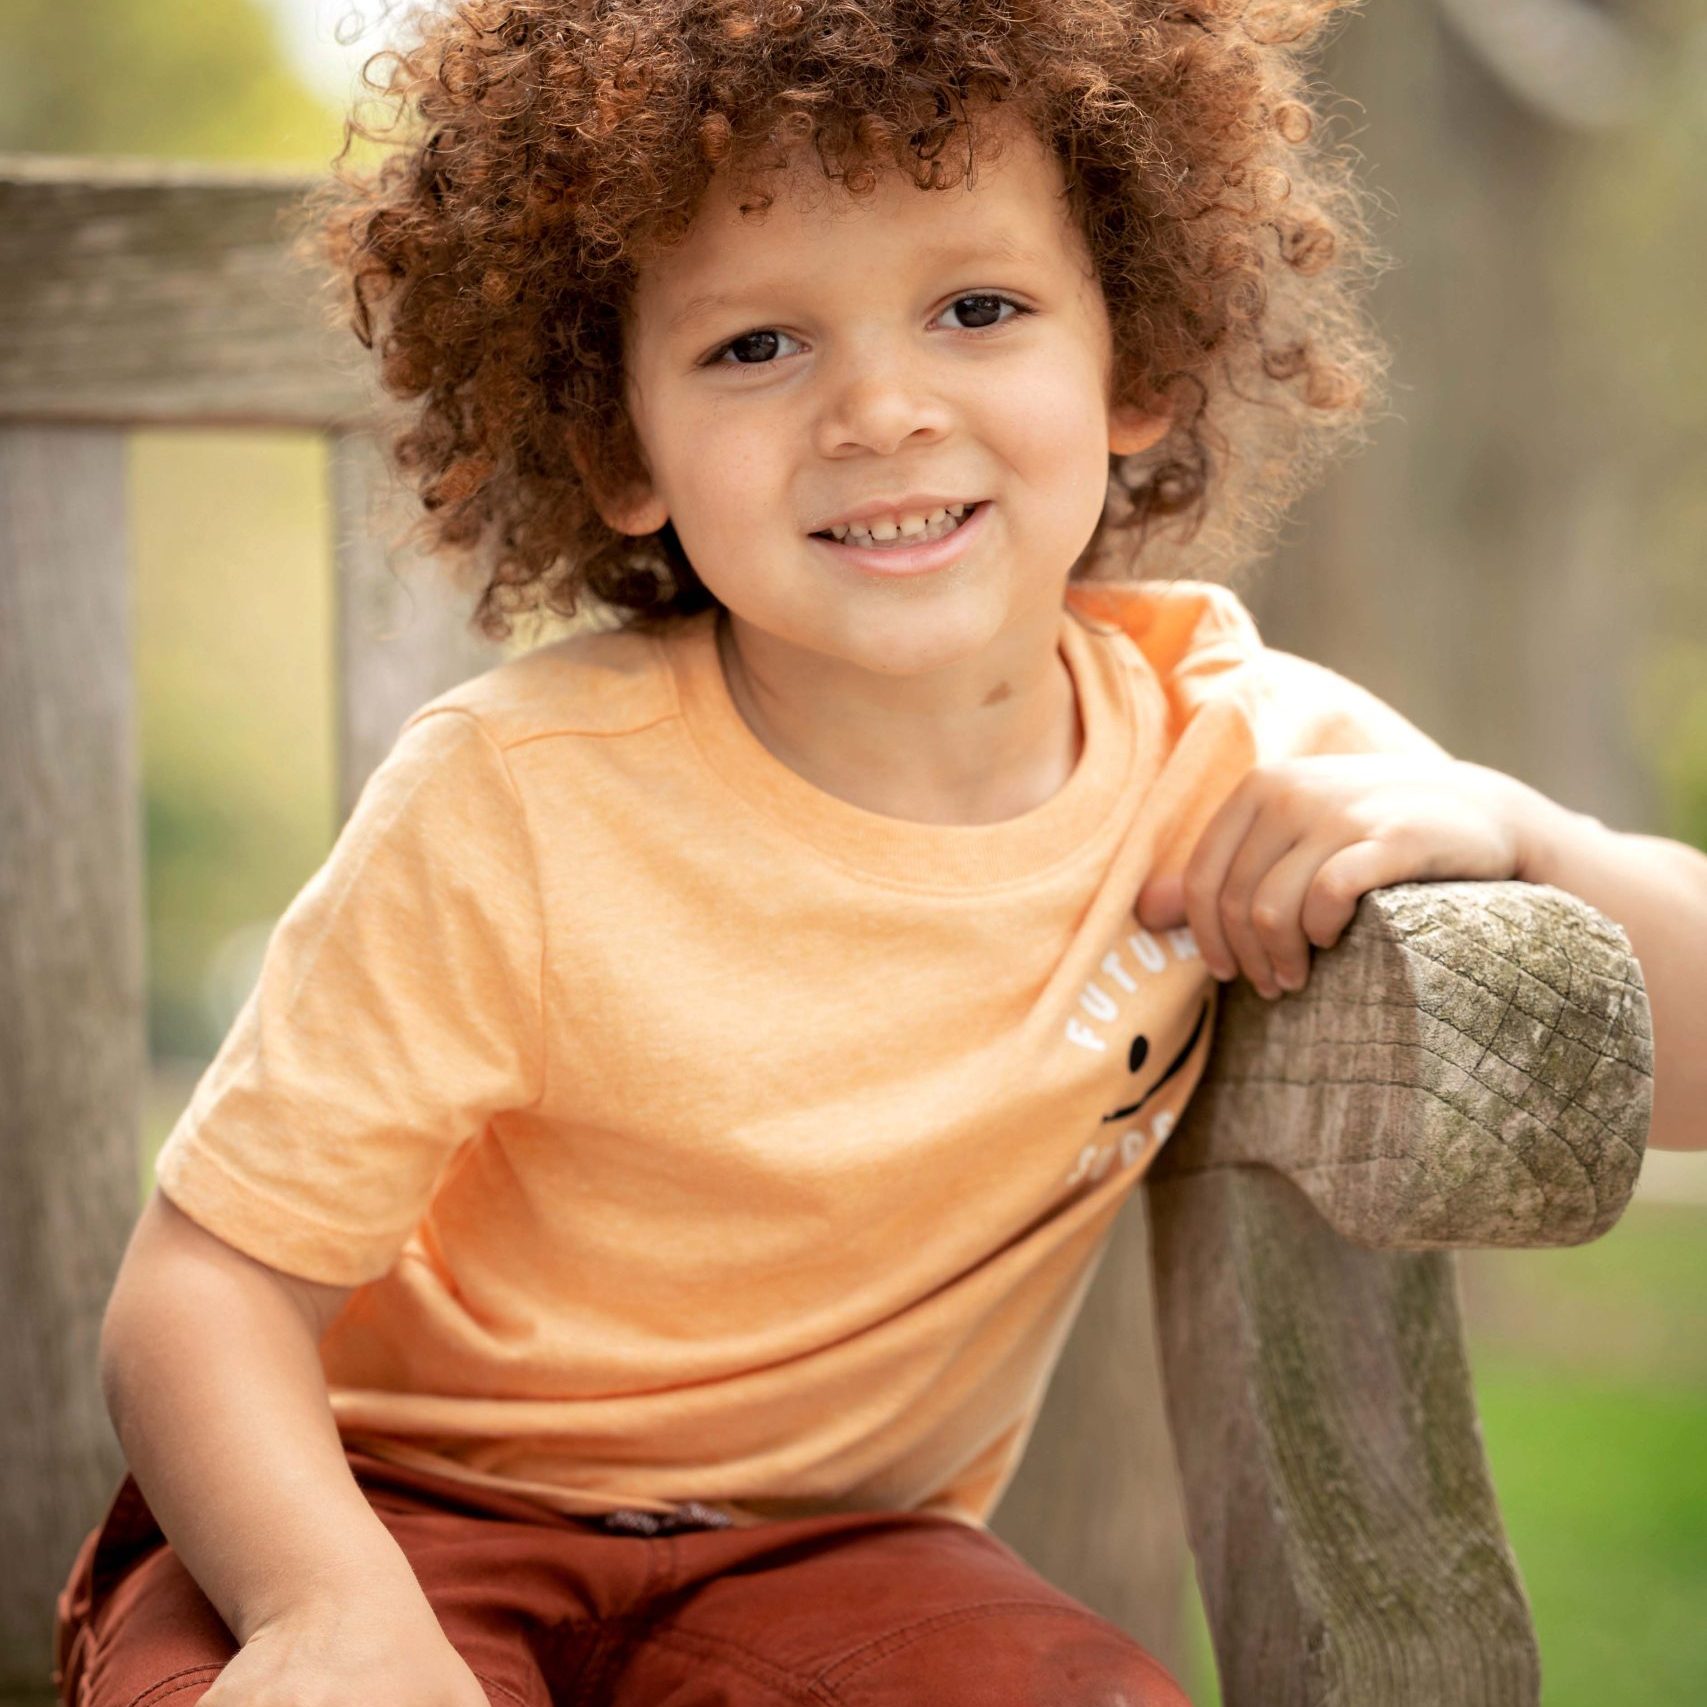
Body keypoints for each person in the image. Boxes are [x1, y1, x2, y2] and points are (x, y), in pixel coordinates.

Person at [53, 2, 1707, 1704]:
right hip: (380, 1511)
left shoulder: (1220, 740)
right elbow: (204, 1290)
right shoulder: (513, 803)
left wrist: (1535, 838)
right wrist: (327, 1607)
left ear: (1129, 359)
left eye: (977, 309)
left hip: (830, 1565)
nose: (881, 409)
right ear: (623, 443)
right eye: (757, 346)